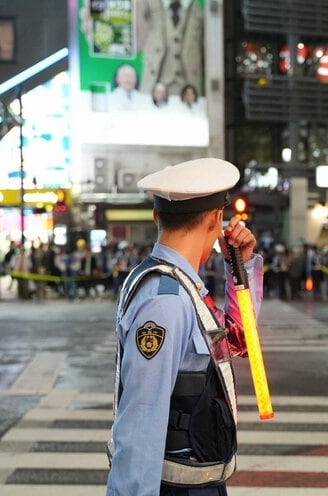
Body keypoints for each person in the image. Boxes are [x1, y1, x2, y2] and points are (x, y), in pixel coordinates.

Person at [106, 158, 264, 496]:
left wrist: (241, 267)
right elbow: (141, 421)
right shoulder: (166, 300)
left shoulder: (183, 288)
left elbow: (237, 340)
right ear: (215, 218)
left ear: (155, 217)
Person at [136, 0, 205, 96]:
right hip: (153, 90)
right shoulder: (146, 6)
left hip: (188, 93)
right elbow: (135, 45)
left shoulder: (200, 10)